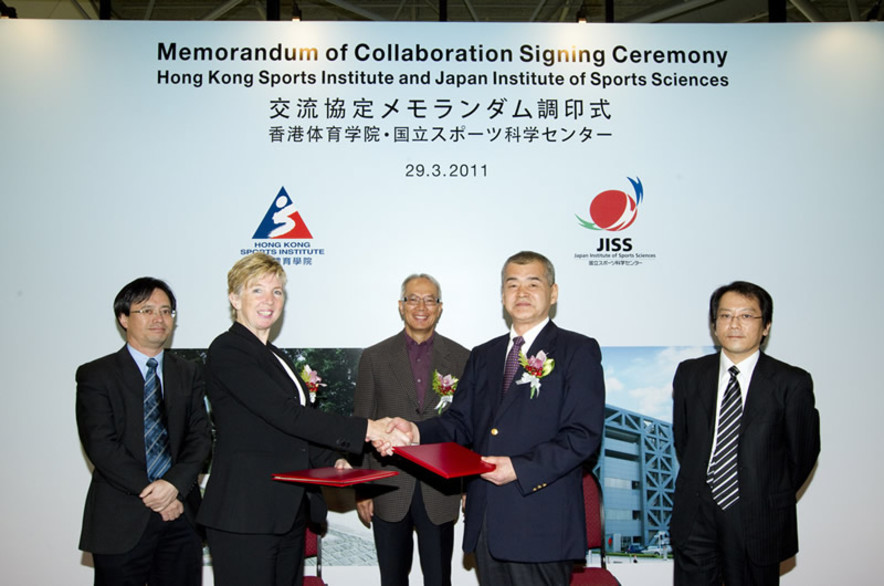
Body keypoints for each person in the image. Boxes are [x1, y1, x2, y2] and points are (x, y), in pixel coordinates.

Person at [384, 251, 605, 585]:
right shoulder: (484, 355)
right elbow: (459, 423)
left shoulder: (577, 350)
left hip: (541, 525)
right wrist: (414, 430)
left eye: (533, 283)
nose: (522, 293)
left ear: (553, 292)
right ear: (502, 296)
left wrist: (518, 468)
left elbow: (582, 436)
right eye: (512, 285)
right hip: (487, 523)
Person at [197, 252, 408, 586]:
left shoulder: (274, 356)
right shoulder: (228, 350)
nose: (269, 300)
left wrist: (334, 459)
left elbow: (291, 430)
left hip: (287, 511)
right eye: (257, 291)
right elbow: (286, 415)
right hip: (246, 514)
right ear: (234, 298)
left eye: (277, 291)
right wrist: (368, 428)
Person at [671, 281, 820, 586]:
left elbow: (803, 454)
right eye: (725, 316)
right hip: (697, 512)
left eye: (746, 316)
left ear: (766, 326)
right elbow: (684, 440)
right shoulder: (690, 374)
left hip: (757, 517)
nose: (734, 324)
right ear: (714, 326)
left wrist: (764, 491)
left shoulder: (791, 382)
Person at [76, 277, 212, 586]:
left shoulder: (188, 372)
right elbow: (101, 445)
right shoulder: (96, 375)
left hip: (181, 517)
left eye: (166, 311)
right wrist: (159, 493)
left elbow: (200, 437)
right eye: (147, 310)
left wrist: (173, 485)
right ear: (123, 318)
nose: (159, 318)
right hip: (121, 519)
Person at [353, 274, 470, 586]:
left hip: (440, 487)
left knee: (438, 579)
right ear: (401, 306)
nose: (422, 306)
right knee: (392, 578)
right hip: (388, 485)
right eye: (413, 299)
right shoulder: (374, 357)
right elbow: (361, 422)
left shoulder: (463, 358)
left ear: (440, 307)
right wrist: (362, 488)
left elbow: (468, 426)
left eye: (430, 299)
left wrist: (469, 486)